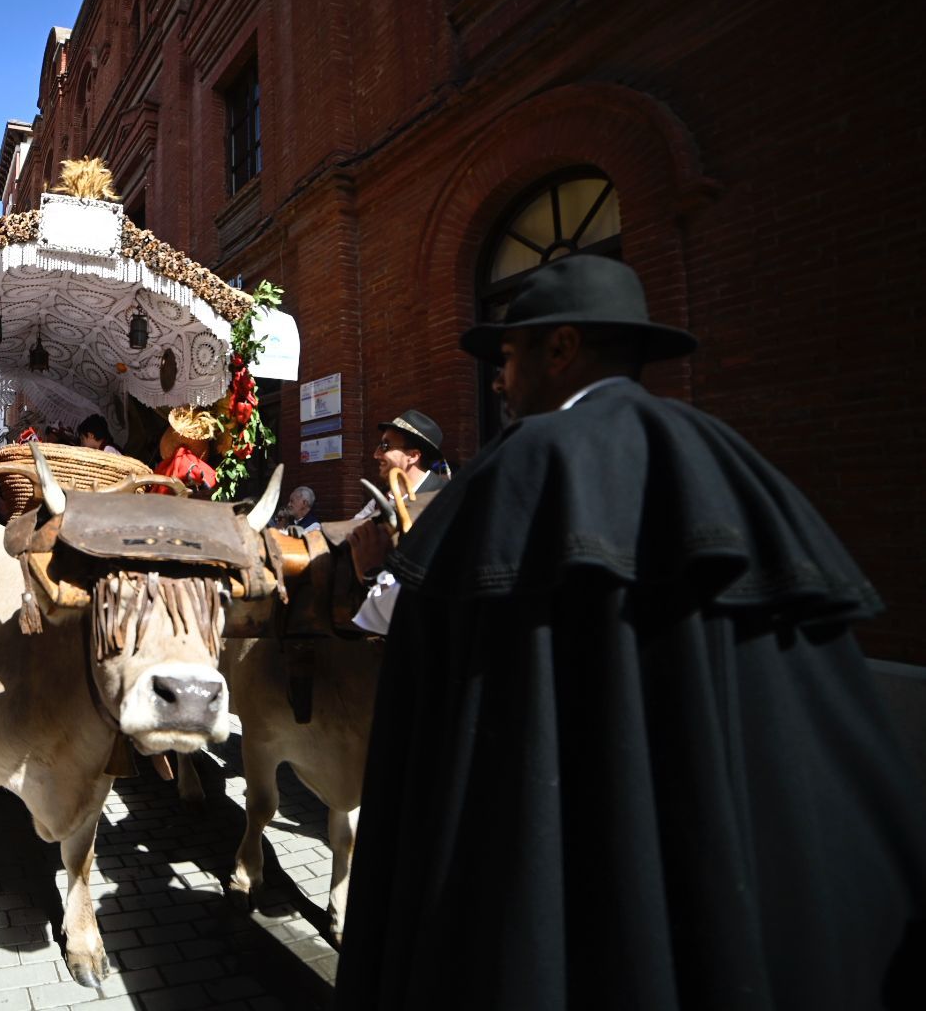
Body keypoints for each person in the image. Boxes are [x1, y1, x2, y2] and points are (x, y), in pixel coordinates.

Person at [334, 254, 926, 1010]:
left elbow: (416, 647)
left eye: (510, 356)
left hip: (549, 884)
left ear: (562, 349)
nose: (497, 380)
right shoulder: (730, 461)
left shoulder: (526, 467)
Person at [346, 409, 450, 634]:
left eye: (385, 446)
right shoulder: (382, 497)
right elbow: (351, 529)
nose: (375, 454)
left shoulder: (443, 501)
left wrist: (372, 572)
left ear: (413, 456)